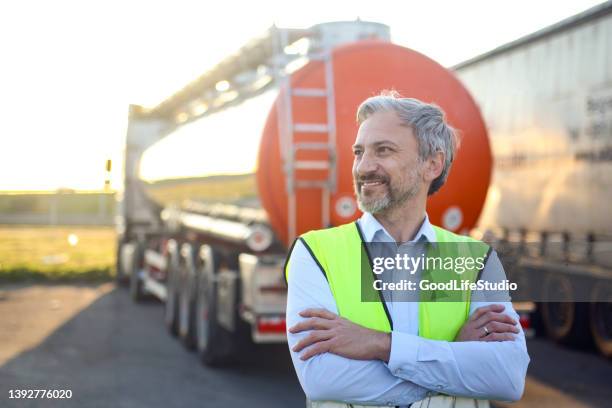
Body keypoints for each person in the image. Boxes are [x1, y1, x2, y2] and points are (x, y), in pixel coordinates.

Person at [285, 91, 530, 408]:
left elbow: (507, 379)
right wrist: (452, 356)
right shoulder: (315, 252)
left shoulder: (475, 259)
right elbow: (322, 379)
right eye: (359, 153)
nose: (364, 167)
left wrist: (380, 345)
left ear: (432, 164)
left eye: (383, 150)